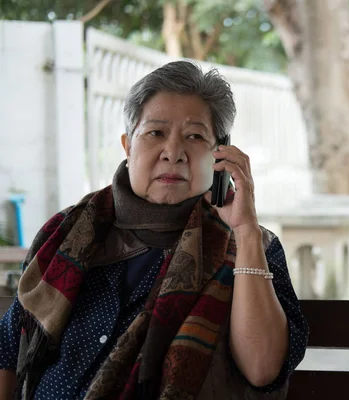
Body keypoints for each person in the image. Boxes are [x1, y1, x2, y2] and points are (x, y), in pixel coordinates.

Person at [0, 60, 309, 399]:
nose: (173, 153)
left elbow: (263, 369)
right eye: (155, 133)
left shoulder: (253, 245)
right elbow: (9, 347)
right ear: (128, 146)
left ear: (219, 155)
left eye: (195, 136)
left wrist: (245, 231)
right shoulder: (67, 232)